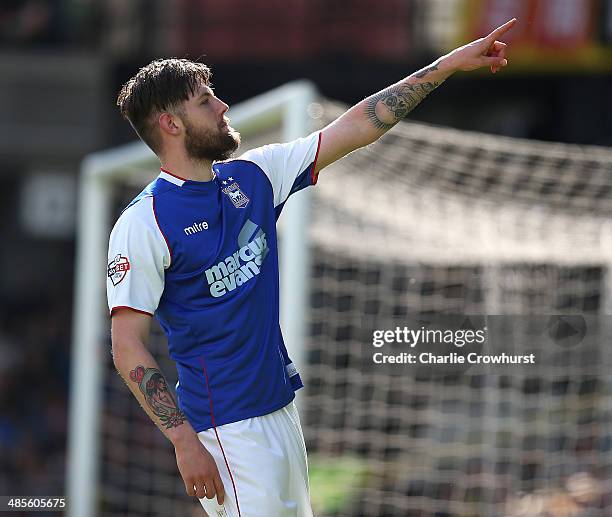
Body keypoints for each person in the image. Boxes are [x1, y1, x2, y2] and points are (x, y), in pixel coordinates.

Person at [107, 17, 516, 517]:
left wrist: (446, 66)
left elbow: (358, 126)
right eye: (204, 101)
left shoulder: (255, 176)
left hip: (281, 412)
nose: (222, 106)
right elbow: (127, 346)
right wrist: (182, 441)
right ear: (171, 124)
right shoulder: (145, 221)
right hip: (226, 431)